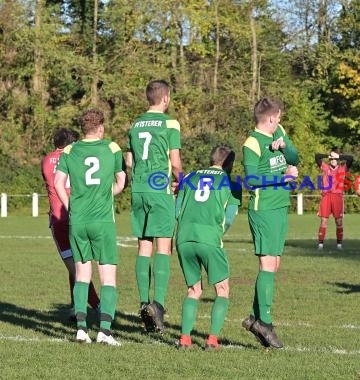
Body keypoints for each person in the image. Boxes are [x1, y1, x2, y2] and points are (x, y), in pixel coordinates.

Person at [54, 109, 126, 345]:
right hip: (103, 220)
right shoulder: (112, 148)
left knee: (82, 274)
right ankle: (104, 331)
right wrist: (107, 195)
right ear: (101, 128)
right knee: (108, 277)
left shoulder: (70, 150)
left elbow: (58, 183)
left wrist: (70, 206)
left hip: (78, 220)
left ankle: (81, 330)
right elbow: (121, 182)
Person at [241, 97, 299, 349]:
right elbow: (251, 180)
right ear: (271, 118)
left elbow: (295, 157)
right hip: (262, 209)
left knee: (274, 264)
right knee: (266, 263)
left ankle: (256, 319)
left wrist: (284, 146)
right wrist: (282, 180)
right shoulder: (252, 143)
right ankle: (264, 321)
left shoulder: (280, 133)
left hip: (280, 207)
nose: (280, 122)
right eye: (279, 119)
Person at [125, 79, 182, 333]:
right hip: (159, 189)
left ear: (148, 98)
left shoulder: (135, 124)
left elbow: (129, 160)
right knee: (163, 246)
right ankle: (157, 304)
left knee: (143, 246)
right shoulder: (170, 123)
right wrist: (180, 182)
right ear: (166, 98)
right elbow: (176, 161)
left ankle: (142, 303)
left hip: (138, 189)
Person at [174, 145, 241, 350]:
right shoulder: (232, 183)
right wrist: (218, 232)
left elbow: (177, 211)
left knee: (193, 290)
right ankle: (212, 340)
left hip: (184, 238)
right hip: (209, 239)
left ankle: (185, 339)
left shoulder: (190, 177)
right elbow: (229, 218)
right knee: (222, 289)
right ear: (229, 163)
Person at [41, 128, 100, 319]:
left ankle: (88, 307)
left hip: (59, 219)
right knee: (78, 267)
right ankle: (90, 307)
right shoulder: (77, 158)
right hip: (81, 216)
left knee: (75, 268)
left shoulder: (46, 160)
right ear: (71, 144)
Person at [315, 149, 353, 250]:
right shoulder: (325, 167)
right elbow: (317, 156)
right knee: (323, 221)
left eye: (335, 159)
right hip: (326, 196)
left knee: (339, 221)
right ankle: (320, 244)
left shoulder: (342, 168)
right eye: (331, 159)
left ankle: (339, 245)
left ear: (338, 160)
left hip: (338, 197)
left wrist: (338, 156)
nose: (333, 160)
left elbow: (350, 158)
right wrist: (329, 155)